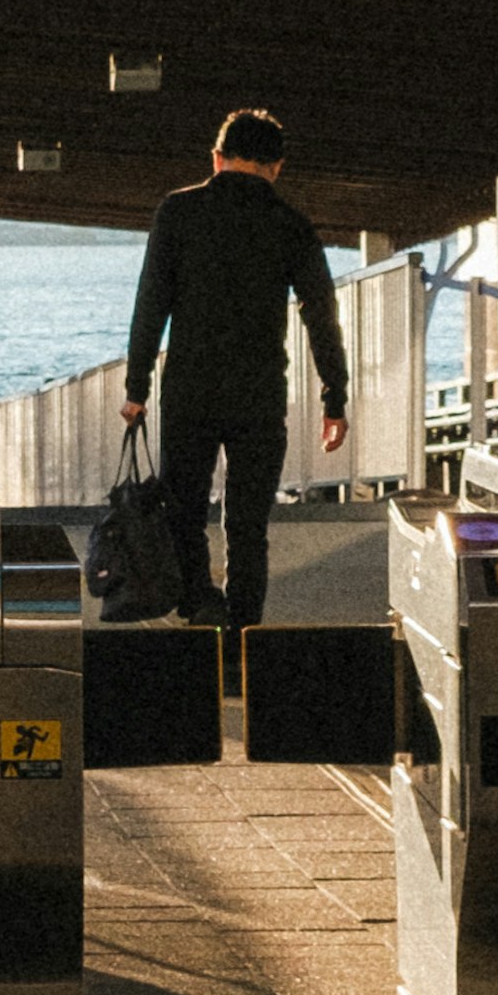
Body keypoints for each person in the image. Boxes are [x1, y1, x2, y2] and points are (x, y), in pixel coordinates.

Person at [123, 106, 349, 633]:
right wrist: (333, 397)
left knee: (185, 512)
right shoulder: (290, 223)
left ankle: (201, 608)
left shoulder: (178, 212)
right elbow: (321, 313)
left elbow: (150, 303)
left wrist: (137, 387)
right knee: (248, 526)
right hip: (260, 394)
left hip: (190, 391)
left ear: (217, 157)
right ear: (277, 166)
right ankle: (243, 632)